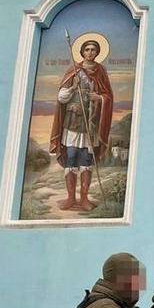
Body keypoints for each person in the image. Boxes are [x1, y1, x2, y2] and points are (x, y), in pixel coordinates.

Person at [50, 39, 114, 211]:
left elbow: (108, 96)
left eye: (93, 49)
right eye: (87, 49)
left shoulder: (101, 71)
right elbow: (61, 97)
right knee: (71, 157)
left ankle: (84, 199)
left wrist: (99, 98)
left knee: (86, 159)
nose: (90, 52)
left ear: (98, 52)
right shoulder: (74, 70)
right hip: (72, 123)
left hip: (90, 125)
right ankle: (71, 198)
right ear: (82, 52)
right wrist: (73, 88)